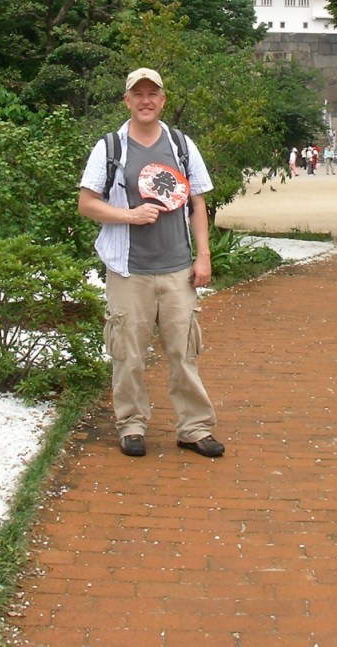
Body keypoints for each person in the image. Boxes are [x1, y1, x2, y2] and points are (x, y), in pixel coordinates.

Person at [78, 68, 224, 459]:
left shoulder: (181, 145)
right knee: (127, 354)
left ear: (163, 100)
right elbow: (86, 203)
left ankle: (194, 428)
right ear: (127, 100)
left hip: (177, 268)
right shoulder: (109, 147)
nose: (145, 100)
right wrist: (129, 215)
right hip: (129, 271)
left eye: (152, 93)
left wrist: (203, 256)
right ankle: (131, 425)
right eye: (137, 93)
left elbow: (197, 202)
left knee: (184, 352)